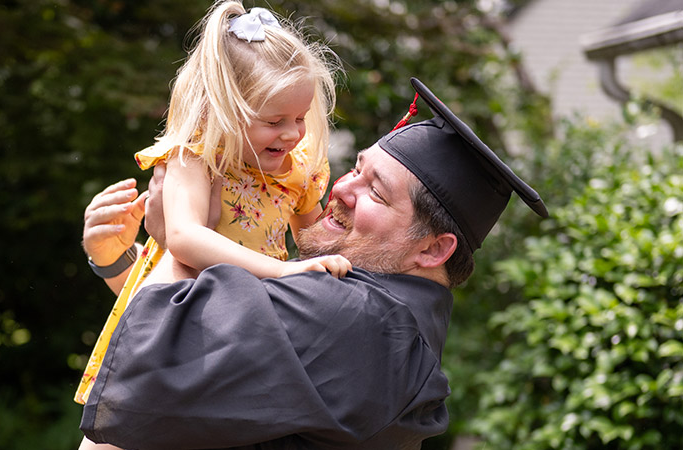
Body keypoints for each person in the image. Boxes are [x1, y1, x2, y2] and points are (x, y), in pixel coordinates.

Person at [77, 77, 548, 449]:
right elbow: (209, 325)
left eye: (375, 192)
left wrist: (176, 230)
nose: (340, 189)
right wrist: (119, 264)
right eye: (356, 169)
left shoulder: (354, 315)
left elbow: (158, 351)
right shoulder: (390, 318)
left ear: (432, 250)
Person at [75, 1, 351, 406]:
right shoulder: (197, 157)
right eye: (274, 121)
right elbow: (184, 238)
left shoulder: (300, 168)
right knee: (120, 426)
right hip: (168, 326)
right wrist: (283, 272)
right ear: (221, 109)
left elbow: (315, 247)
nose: (293, 133)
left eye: (301, 117)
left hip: (244, 329)